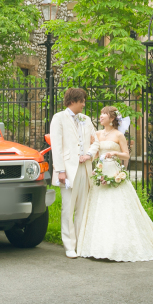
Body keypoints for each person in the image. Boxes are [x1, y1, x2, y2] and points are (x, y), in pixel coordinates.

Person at [76, 106, 153, 262]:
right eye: (100, 114)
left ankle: (119, 246)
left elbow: (126, 155)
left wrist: (115, 153)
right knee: (99, 207)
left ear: (112, 118)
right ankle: (97, 246)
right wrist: (90, 161)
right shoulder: (97, 134)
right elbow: (96, 153)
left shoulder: (119, 135)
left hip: (113, 171)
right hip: (100, 172)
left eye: (103, 114)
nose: (100, 117)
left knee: (116, 207)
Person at [49, 88, 97, 258]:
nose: (84, 104)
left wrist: (89, 154)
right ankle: (69, 245)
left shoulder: (86, 119)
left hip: (85, 168)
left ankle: (81, 244)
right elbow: (57, 146)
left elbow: (95, 141)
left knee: (83, 208)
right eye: (82, 101)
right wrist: (60, 170)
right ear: (73, 101)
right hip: (68, 170)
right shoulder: (59, 118)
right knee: (68, 209)